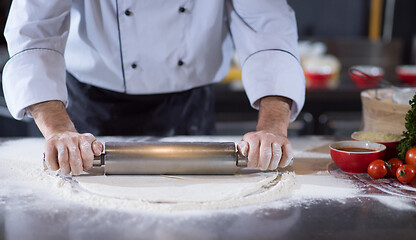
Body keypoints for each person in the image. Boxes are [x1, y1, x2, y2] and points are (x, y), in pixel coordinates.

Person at [2, 0, 305, 175]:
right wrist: (58, 130)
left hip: (189, 103)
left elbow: (268, 27)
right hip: (86, 111)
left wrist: (273, 127)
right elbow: (33, 30)